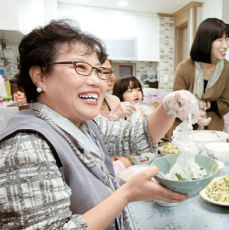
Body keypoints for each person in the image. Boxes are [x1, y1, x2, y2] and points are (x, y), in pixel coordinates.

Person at [0, 19, 199, 229]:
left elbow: (131, 137)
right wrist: (126, 195)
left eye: (98, 71)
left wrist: (169, 105)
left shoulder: (85, 123)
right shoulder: (25, 147)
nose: (97, 81)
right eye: (80, 67)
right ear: (40, 76)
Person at [167, 18, 229, 137]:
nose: (226, 45)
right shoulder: (185, 67)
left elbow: (226, 105)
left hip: (212, 133)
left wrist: (205, 105)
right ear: (206, 42)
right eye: (220, 40)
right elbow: (176, 103)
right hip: (182, 132)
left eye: (227, 39)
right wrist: (194, 114)